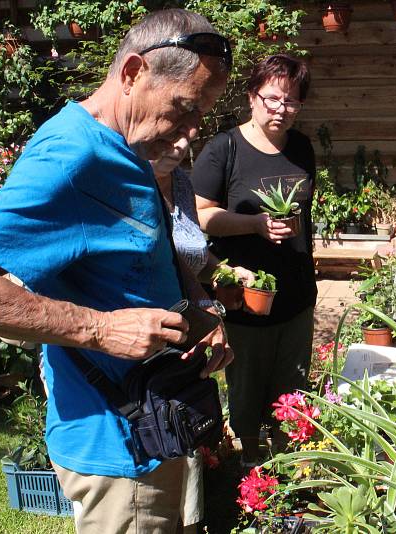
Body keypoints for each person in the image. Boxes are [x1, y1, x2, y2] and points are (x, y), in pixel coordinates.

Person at [0, 9, 234, 532]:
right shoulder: (72, 158)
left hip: (158, 422)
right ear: (132, 73)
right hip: (116, 450)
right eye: (184, 108)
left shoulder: (132, 149)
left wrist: (201, 312)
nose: (190, 132)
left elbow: (145, 251)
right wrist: (99, 328)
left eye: (200, 115)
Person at [190, 54, 316, 467]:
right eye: (273, 98)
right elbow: (201, 216)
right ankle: (249, 460)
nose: (282, 109)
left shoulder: (301, 148)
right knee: (246, 386)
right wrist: (255, 225)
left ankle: (286, 461)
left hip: (297, 292)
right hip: (246, 294)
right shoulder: (223, 149)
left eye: (292, 102)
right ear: (252, 97)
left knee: (292, 387)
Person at [150, 136, 253, 533]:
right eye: (170, 133)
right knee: (154, 450)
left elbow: (194, 254)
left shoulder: (180, 184)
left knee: (187, 443)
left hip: (189, 331)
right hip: (145, 342)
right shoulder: (125, 182)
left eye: (186, 135)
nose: (179, 144)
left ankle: (191, 525)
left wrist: (227, 271)